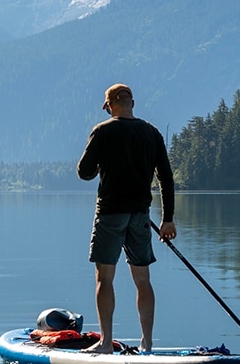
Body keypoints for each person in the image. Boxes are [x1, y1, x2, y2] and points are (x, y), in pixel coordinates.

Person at [76, 83, 177, 354]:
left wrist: (101, 164)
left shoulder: (102, 131)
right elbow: (166, 178)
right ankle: (147, 343)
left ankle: (106, 343)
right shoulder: (151, 133)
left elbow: (84, 172)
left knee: (104, 279)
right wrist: (167, 219)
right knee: (143, 279)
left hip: (110, 214)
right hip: (141, 217)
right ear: (133, 103)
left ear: (109, 106)